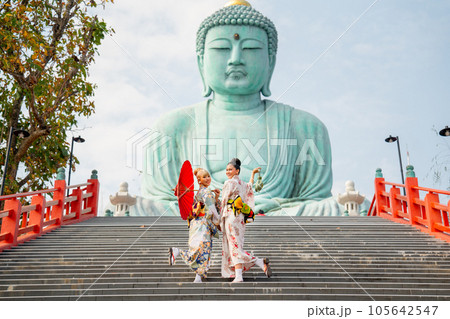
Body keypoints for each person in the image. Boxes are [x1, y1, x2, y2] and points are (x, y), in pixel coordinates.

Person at [135, 1, 343, 217]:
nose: (235, 59)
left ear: (270, 62)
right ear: (201, 62)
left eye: (251, 48)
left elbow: (316, 202)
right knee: (138, 208)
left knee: (334, 208)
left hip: (272, 217)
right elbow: (160, 201)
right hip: (202, 216)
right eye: (222, 48)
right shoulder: (170, 127)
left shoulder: (306, 127)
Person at [220, 158, 271, 282]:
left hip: (231, 215)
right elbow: (250, 186)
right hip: (240, 218)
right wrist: (252, 174)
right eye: (227, 170)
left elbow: (224, 201)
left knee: (234, 245)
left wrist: (219, 218)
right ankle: (241, 273)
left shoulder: (229, 183)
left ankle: (257, 263)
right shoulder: (242, 184)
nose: (228, 172)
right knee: (237, 244)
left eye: (230, 169)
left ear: (237, 171)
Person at [168, 168, 221, 283]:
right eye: (204, 177)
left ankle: (198, 277)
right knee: (201, 249)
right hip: (202, 224)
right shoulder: (206, 192)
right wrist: (218, 221)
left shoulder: (201, 192)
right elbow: (212, 210)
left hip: (197, 223)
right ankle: (178, 252)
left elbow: (210, 206)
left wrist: (216, 198)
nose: (208, 179)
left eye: (208, 176)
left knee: (202, 250)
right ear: (199, 180)